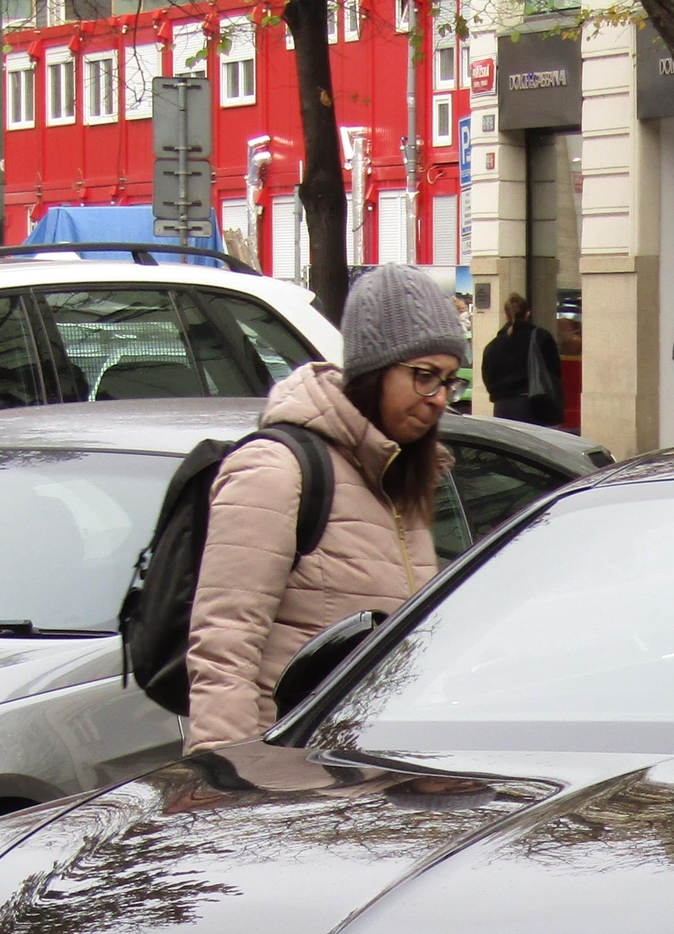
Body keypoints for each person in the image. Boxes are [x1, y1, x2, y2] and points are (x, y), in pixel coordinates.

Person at [183, 264, 462, 750]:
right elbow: (224, 647)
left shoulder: (405, 477)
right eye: (424, 376)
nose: (439, 399)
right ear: (375, 368)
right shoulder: (276, 469)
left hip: (376, 766)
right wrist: (232, 783)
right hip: (293, 772)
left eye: (449, 381)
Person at [481, 293, 565, 428]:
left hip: (502, 408)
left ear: (506, 316)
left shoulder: (493, 345)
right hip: (533, 405)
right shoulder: (541, 337)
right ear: (528, 314)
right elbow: (554, 371)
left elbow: (487, 376)